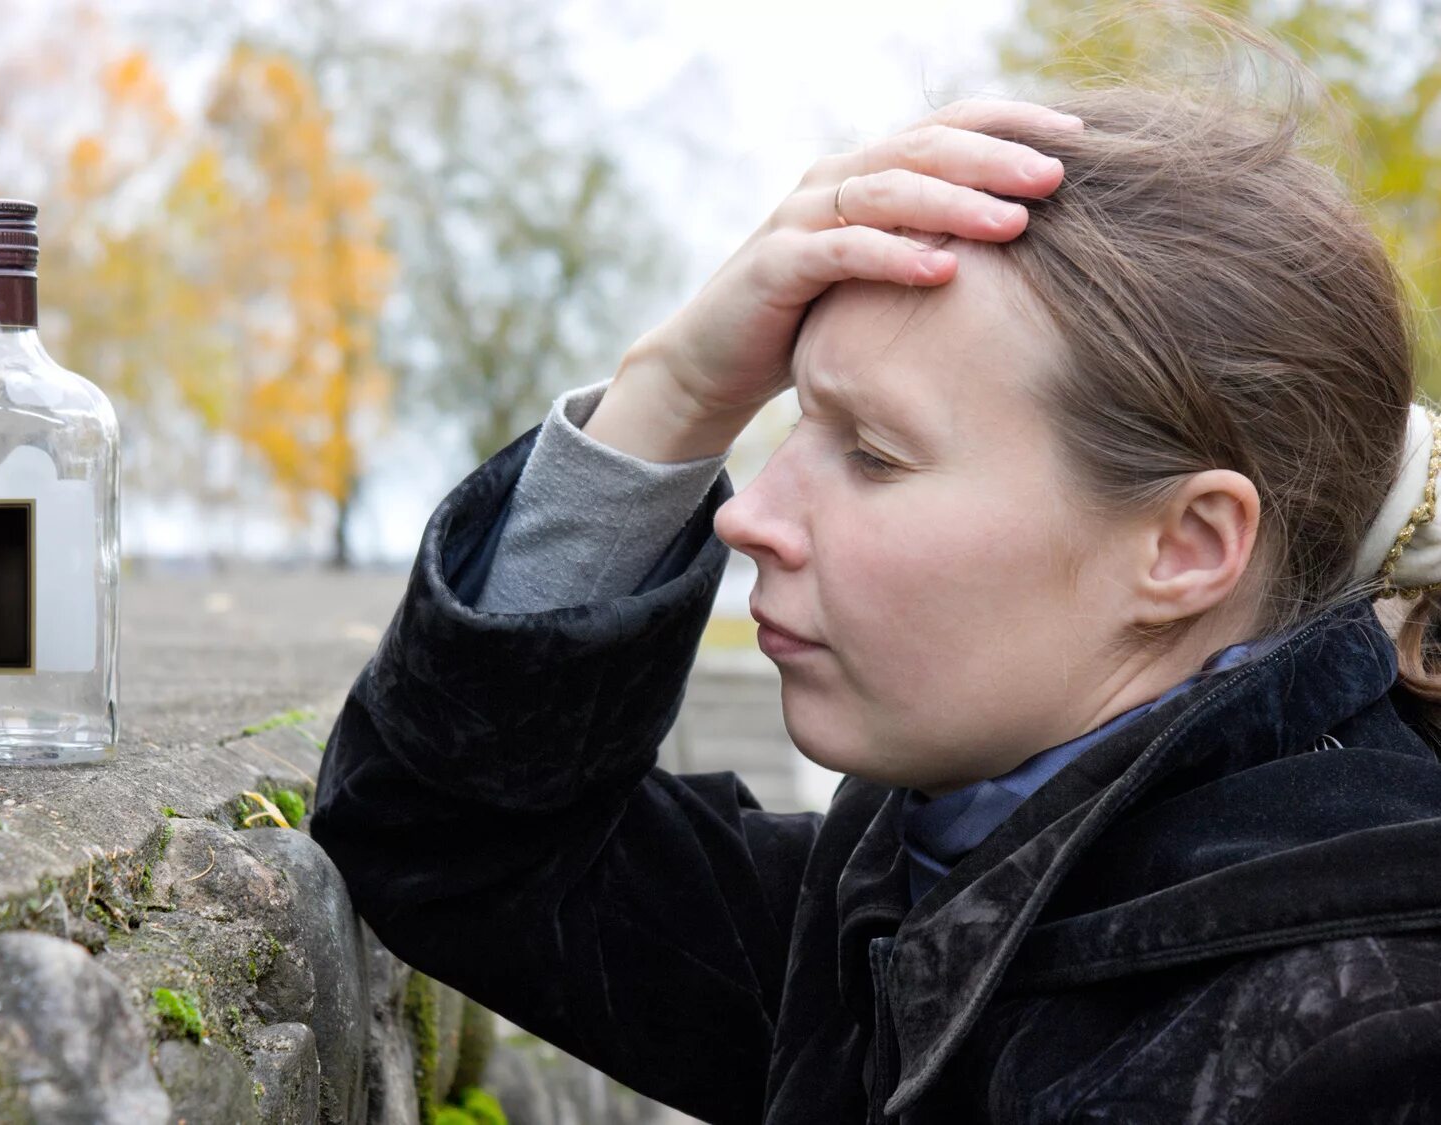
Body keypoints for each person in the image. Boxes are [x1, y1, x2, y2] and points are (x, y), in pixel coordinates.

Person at [308, 18, 1441, 1125]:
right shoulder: (920, 878)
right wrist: (677, 386)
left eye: (872, 453)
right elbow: (448, 843)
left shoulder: (1365, 1041)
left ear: (1183, 547)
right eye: (793, 421)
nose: (748, 514)